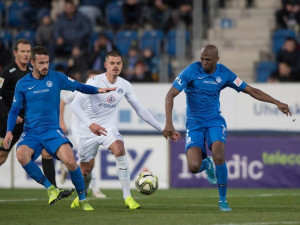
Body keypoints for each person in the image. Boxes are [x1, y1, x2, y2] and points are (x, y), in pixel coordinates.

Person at [163, 45, 291, 212]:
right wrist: (169, 123)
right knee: (194, 167)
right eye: (201, 58)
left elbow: (251, 90)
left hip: (215, 121)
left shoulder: (224, 73)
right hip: (194, 124)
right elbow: (170, 94)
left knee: (218, 151)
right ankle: (207, 165)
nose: (203, 62)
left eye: (207, 60)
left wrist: (276, 102)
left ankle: (222, 200)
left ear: (217, 60)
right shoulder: (191, 71)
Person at [3, 46, 115, 210]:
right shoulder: (22, 84)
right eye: (41, 63)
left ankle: (82, 200)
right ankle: (51, 188)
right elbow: (14, 110)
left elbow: (79, 86)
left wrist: (98, 90)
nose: (45, 66)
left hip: (52, 131)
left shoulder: (56, 78)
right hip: (31, 132)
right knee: (21, 155)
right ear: (32, 63)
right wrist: (9, 132)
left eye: (47, 62)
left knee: (70, 162)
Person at [70, 51, 164, 209]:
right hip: (89, 130)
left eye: (118, 63)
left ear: (122, 65)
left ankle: (127, 197)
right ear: (106, 65)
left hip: (109, 128)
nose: (115, 66)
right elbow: (74, 105)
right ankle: (82, 195)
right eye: (112, 63)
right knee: (85, 169)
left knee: (119, 149)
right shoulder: (93, 81)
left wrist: (161, 128)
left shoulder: (125, 85)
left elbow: (140, 110)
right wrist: (90, 124)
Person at [0, 39, 73, 198]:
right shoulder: (7, 73)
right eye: (22, 51)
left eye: (28, 51)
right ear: (15, 53)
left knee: (47, 153)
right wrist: (9, 116)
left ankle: (53, 190)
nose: (26, 54)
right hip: (9, 123)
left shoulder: (34, 71)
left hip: (30, 124)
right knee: (2, 157)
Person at [60, 69, 107, 198]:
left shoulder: (100, 94)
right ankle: (94, 190)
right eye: (91, 79)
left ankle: (65, 165)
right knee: (88, 158)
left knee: (88, 160)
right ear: (87, 80)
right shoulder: (78, 91)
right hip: (76, 130)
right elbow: (63, 101)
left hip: (90, 131)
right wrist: (61, 122)